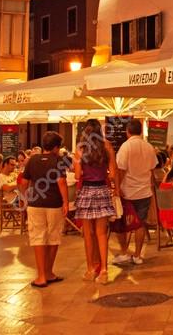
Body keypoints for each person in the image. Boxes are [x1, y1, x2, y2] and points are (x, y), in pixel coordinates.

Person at [19, 131, 69, 288]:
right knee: (54, 237)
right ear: (55, 147)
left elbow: (24, 182)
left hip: (35, 204)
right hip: (54, 204)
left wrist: (24, 198)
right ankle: (49, 272)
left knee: (38, 237)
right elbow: (61, 182)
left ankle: (41, 276)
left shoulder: (32, 160)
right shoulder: (58, 160)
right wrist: (66, 202)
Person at [74, 119, 118, 284]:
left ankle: (91, 269)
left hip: (86, 192)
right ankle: (104, 271)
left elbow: (78, 176)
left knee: (88, 234)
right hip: (102, 191)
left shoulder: (80, 149)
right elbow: (113, 174)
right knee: (101, 233)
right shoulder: (107, 146)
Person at [114, 119, 157, 266]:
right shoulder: (149, 147)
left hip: (128, 191)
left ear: (127, 131)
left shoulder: (125, 147)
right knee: (140, 223)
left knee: (121, 224)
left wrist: (117, 188)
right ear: (140, 131)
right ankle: (138, 255)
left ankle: (124, 252)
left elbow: (121, 169)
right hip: (144, 191)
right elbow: (152, 169)